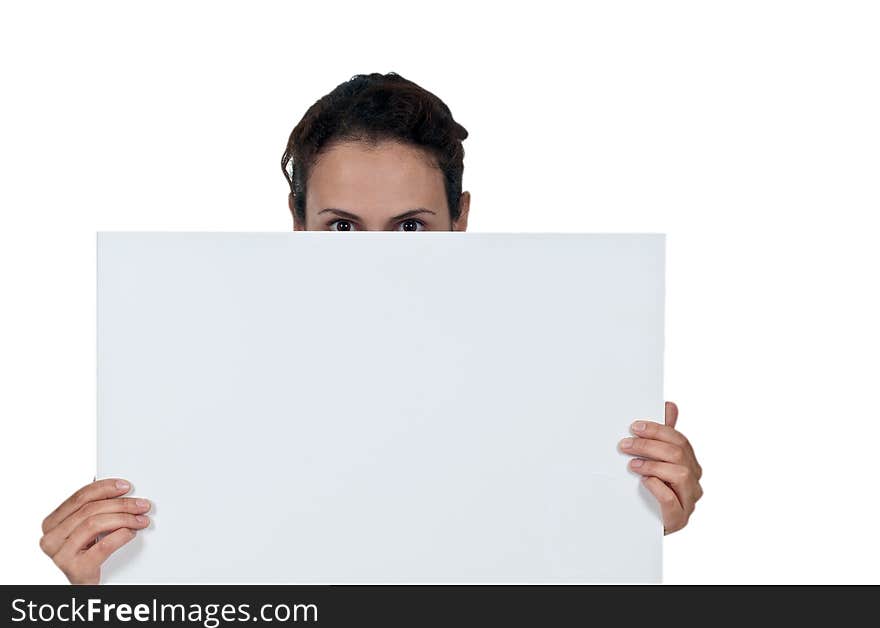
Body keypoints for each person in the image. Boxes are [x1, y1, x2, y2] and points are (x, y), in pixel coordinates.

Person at [40, 73, 703, 584]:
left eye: (410, 226)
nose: (377, 258)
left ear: (460, 217)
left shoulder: (559, 372)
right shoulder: (196, 380)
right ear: (297, 223)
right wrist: (101, 597)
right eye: (341, 227)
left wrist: (630, 519)